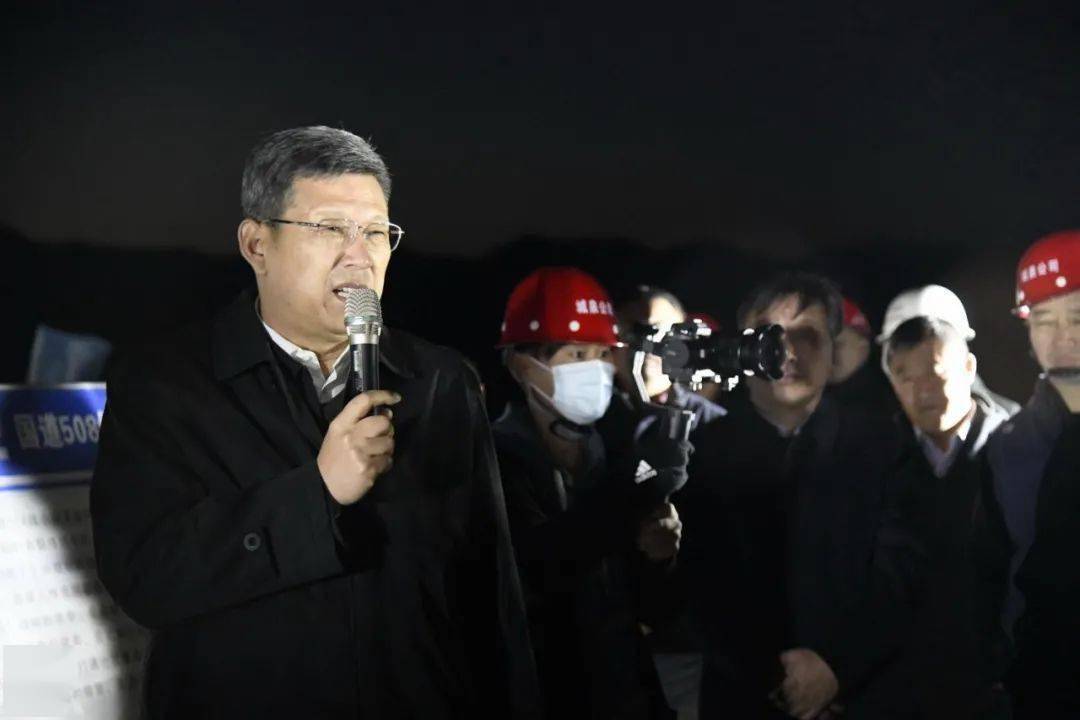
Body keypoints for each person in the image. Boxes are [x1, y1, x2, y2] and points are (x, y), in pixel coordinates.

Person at [90, 126, 539, 719]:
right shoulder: (165, 385)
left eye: (375, 232)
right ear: (257, 244)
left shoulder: (440, 381)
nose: (359, 255)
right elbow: (145, 580)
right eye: (329, 228)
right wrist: (317, 493)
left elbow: (490, 591)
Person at [779, 285, 1015, 719]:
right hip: (888, 695)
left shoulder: (1016, 450)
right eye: (905, 376)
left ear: (968, 366)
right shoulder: (872, 457)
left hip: (993, 695)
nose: (924, 391)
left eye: (936, 372)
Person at [681, 272, 891, 719]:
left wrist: (836, 669)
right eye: (768, 336)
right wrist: (774, 677)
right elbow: (695, 585)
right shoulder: (699, 455)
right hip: (741, 700)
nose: (789, 352)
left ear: (833, 351)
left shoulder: (884, 449)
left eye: (808, 336)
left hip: (859, 698)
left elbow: (901, 575)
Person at [492, 267, 690, 719]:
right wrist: (632, 488)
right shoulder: (494, 461)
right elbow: (539, 570)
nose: (596, 369)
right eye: (577, 353)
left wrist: (661, 557)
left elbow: (657, 612)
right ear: (522, 364)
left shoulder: (610, 452)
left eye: (602, 354)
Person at [977, 229, 1080, 718]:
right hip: (1039, 688)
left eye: (1078, 317)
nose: (1063, 337)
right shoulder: (1007, 447)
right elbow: (988, 575)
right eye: (1044, 320)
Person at [613, 285, 726, 719]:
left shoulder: (716, 428)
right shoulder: (593, 425)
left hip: (691, 642)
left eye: (661, 333)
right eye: (634, 333)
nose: (648, 347)